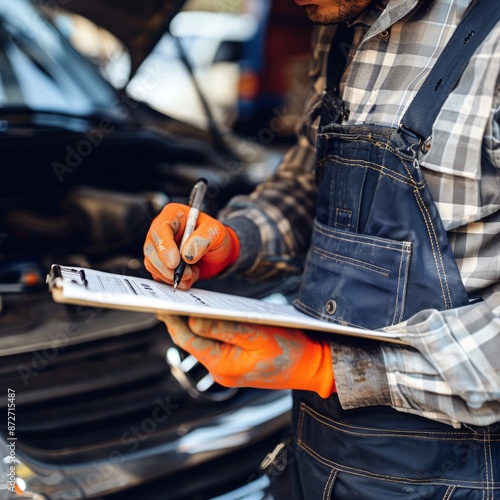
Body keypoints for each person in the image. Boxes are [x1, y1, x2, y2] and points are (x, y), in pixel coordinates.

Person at [144, 0, 500, 497]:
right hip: (314, 460)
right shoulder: (334, 26)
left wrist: (326, 367)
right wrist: (235, 241)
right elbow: (310, 178)